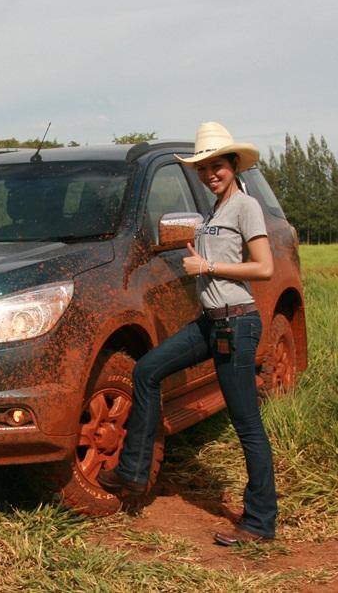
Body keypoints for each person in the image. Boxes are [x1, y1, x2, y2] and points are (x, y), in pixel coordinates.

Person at [97, 121, 277, 546]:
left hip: (237, 322)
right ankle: (134, 473)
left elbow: (264, 267)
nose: (210, 173)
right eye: (203, 168)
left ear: (233, 165)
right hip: (210, 322)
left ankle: (260, 521)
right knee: (147, 370)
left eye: (217, 166)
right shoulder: (215, 210)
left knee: (246, 423)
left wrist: (208, 267)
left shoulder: (245, 206)